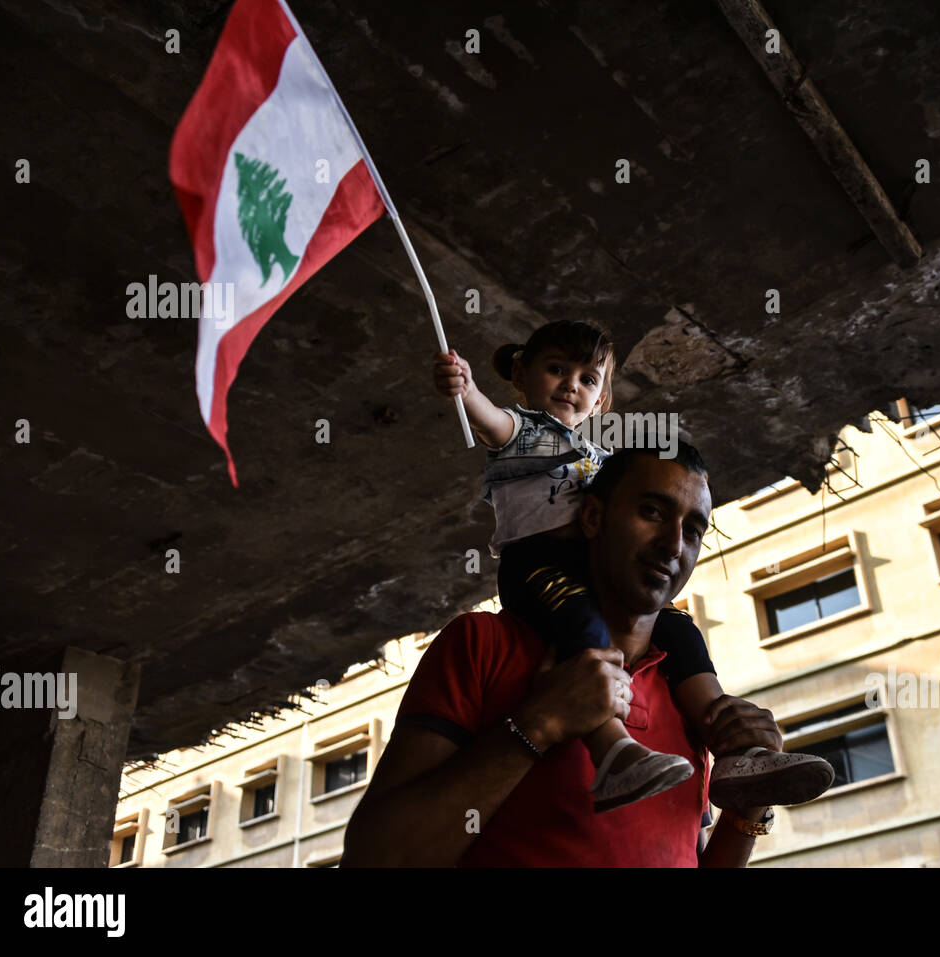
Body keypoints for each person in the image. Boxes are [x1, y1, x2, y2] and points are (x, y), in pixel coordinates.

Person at [428, 320, 832, 812]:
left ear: (600, 399)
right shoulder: (525, 432)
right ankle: (612, 751)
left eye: (587, 378)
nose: (570, 385)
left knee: (679, 628)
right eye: (556, 369)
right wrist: (465, 389)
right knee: (581, 620)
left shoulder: (599, 459)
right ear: (522, 374)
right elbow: (490, 420)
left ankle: (734, 753)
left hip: (583, 572)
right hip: (536, 567)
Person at [342, 445, 795, 865]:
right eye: (653, 512)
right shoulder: (484, 644)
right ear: (594, 517)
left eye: (693, 531)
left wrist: (749, 805)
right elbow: (373, 857)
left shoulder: (688, 701)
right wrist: (539, 723)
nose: (674, 544)